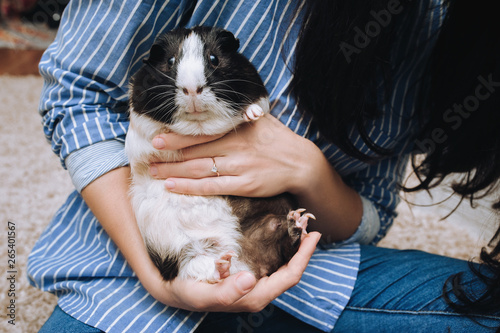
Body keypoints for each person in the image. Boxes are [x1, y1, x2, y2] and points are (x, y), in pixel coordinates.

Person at [28, 0, 500, 332]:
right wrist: (162, 280)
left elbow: (371, 213)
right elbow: (77, 94)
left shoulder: (435, 21)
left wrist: (309, 170)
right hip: (138, 272)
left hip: (307, 271)